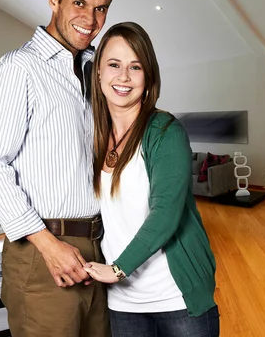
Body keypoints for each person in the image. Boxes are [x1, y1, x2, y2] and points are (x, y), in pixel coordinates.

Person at [0, 0, 115, 337]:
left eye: (101, 7)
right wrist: (48, 246)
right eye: (79, 2)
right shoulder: (19, 67)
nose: (91, 19)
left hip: (96, 250)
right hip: (42, 250)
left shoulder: (93, 72)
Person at [83, 21, 220, 337]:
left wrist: (118, 269)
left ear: (148, 78)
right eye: (114, 65)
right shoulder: (91, 137)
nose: (124, 77)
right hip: (123, 303)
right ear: (99, 73)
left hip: (176, 297)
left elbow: (166, 215)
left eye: (136, 67)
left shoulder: (165, 131)